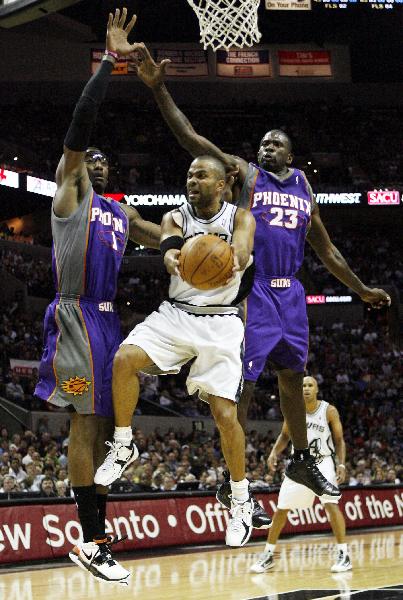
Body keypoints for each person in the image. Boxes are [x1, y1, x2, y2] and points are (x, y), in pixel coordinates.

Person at [133, 47, 391, 516]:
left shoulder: (304, 191)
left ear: (291, 154)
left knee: (292, 376)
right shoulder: (247, 176)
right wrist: (158, 88)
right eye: (263, 144)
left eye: (275, 144)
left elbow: (327, 250)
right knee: (243, 382)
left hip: (290, 292)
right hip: (251, 288)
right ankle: (238, 482)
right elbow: (193, 139)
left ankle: (301, 459)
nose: (265, 148)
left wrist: (361, 289)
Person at [34, 9, 160, 585]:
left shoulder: (119, 211)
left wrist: (221, 237)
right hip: (74, 318)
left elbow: (162, 237)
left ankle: (97, 535)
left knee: (105, 427)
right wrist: (111, 59)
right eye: (91, 159)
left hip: (110, 323)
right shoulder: (69, 198)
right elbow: (80, 130)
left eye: (105, 161)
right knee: (84, 423)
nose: (97, 162)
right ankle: (89, 539)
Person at [95, 154, 268, 547]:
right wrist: (177, 258)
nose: (193, 180)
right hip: (178, 314)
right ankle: (123, 446)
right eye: (189, 174)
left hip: (223, 321)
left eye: (201, 175)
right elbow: (170, 249)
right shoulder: (176, 215)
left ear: (222, 183)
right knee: (124, 359)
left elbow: (241, 249)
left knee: (225, 415)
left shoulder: (240, 218)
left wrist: (229, 258)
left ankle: (240, 498)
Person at [250, 376, 352, 574]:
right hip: (299, 464)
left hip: (323, 463)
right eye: (303, 385)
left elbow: (339, 440)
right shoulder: (293, 409)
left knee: (331, 504)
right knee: (281, 510)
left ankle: (344, 554)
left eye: (310, 385)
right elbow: (285, 436)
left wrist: (341, 463)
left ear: (316, 389)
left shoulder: (328, 410)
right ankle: (268, 555)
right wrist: (273, 452)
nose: (306, 388)